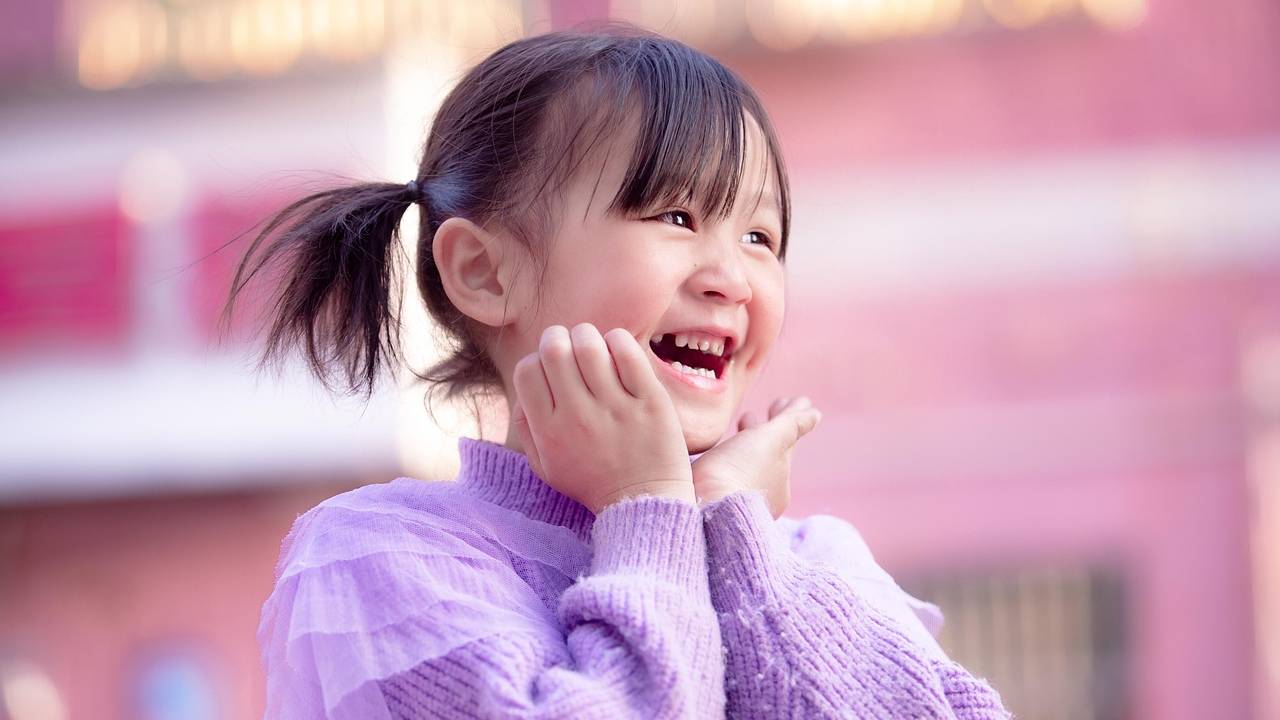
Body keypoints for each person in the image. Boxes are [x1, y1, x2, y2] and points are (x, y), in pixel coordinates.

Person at [229, 24, 1010, 719]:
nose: (732, 280)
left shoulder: (813, 562)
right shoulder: (386, 560)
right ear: (484, 273)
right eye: (676, 217)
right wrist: (648, 508)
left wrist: (734, 537)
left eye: (761, 238)